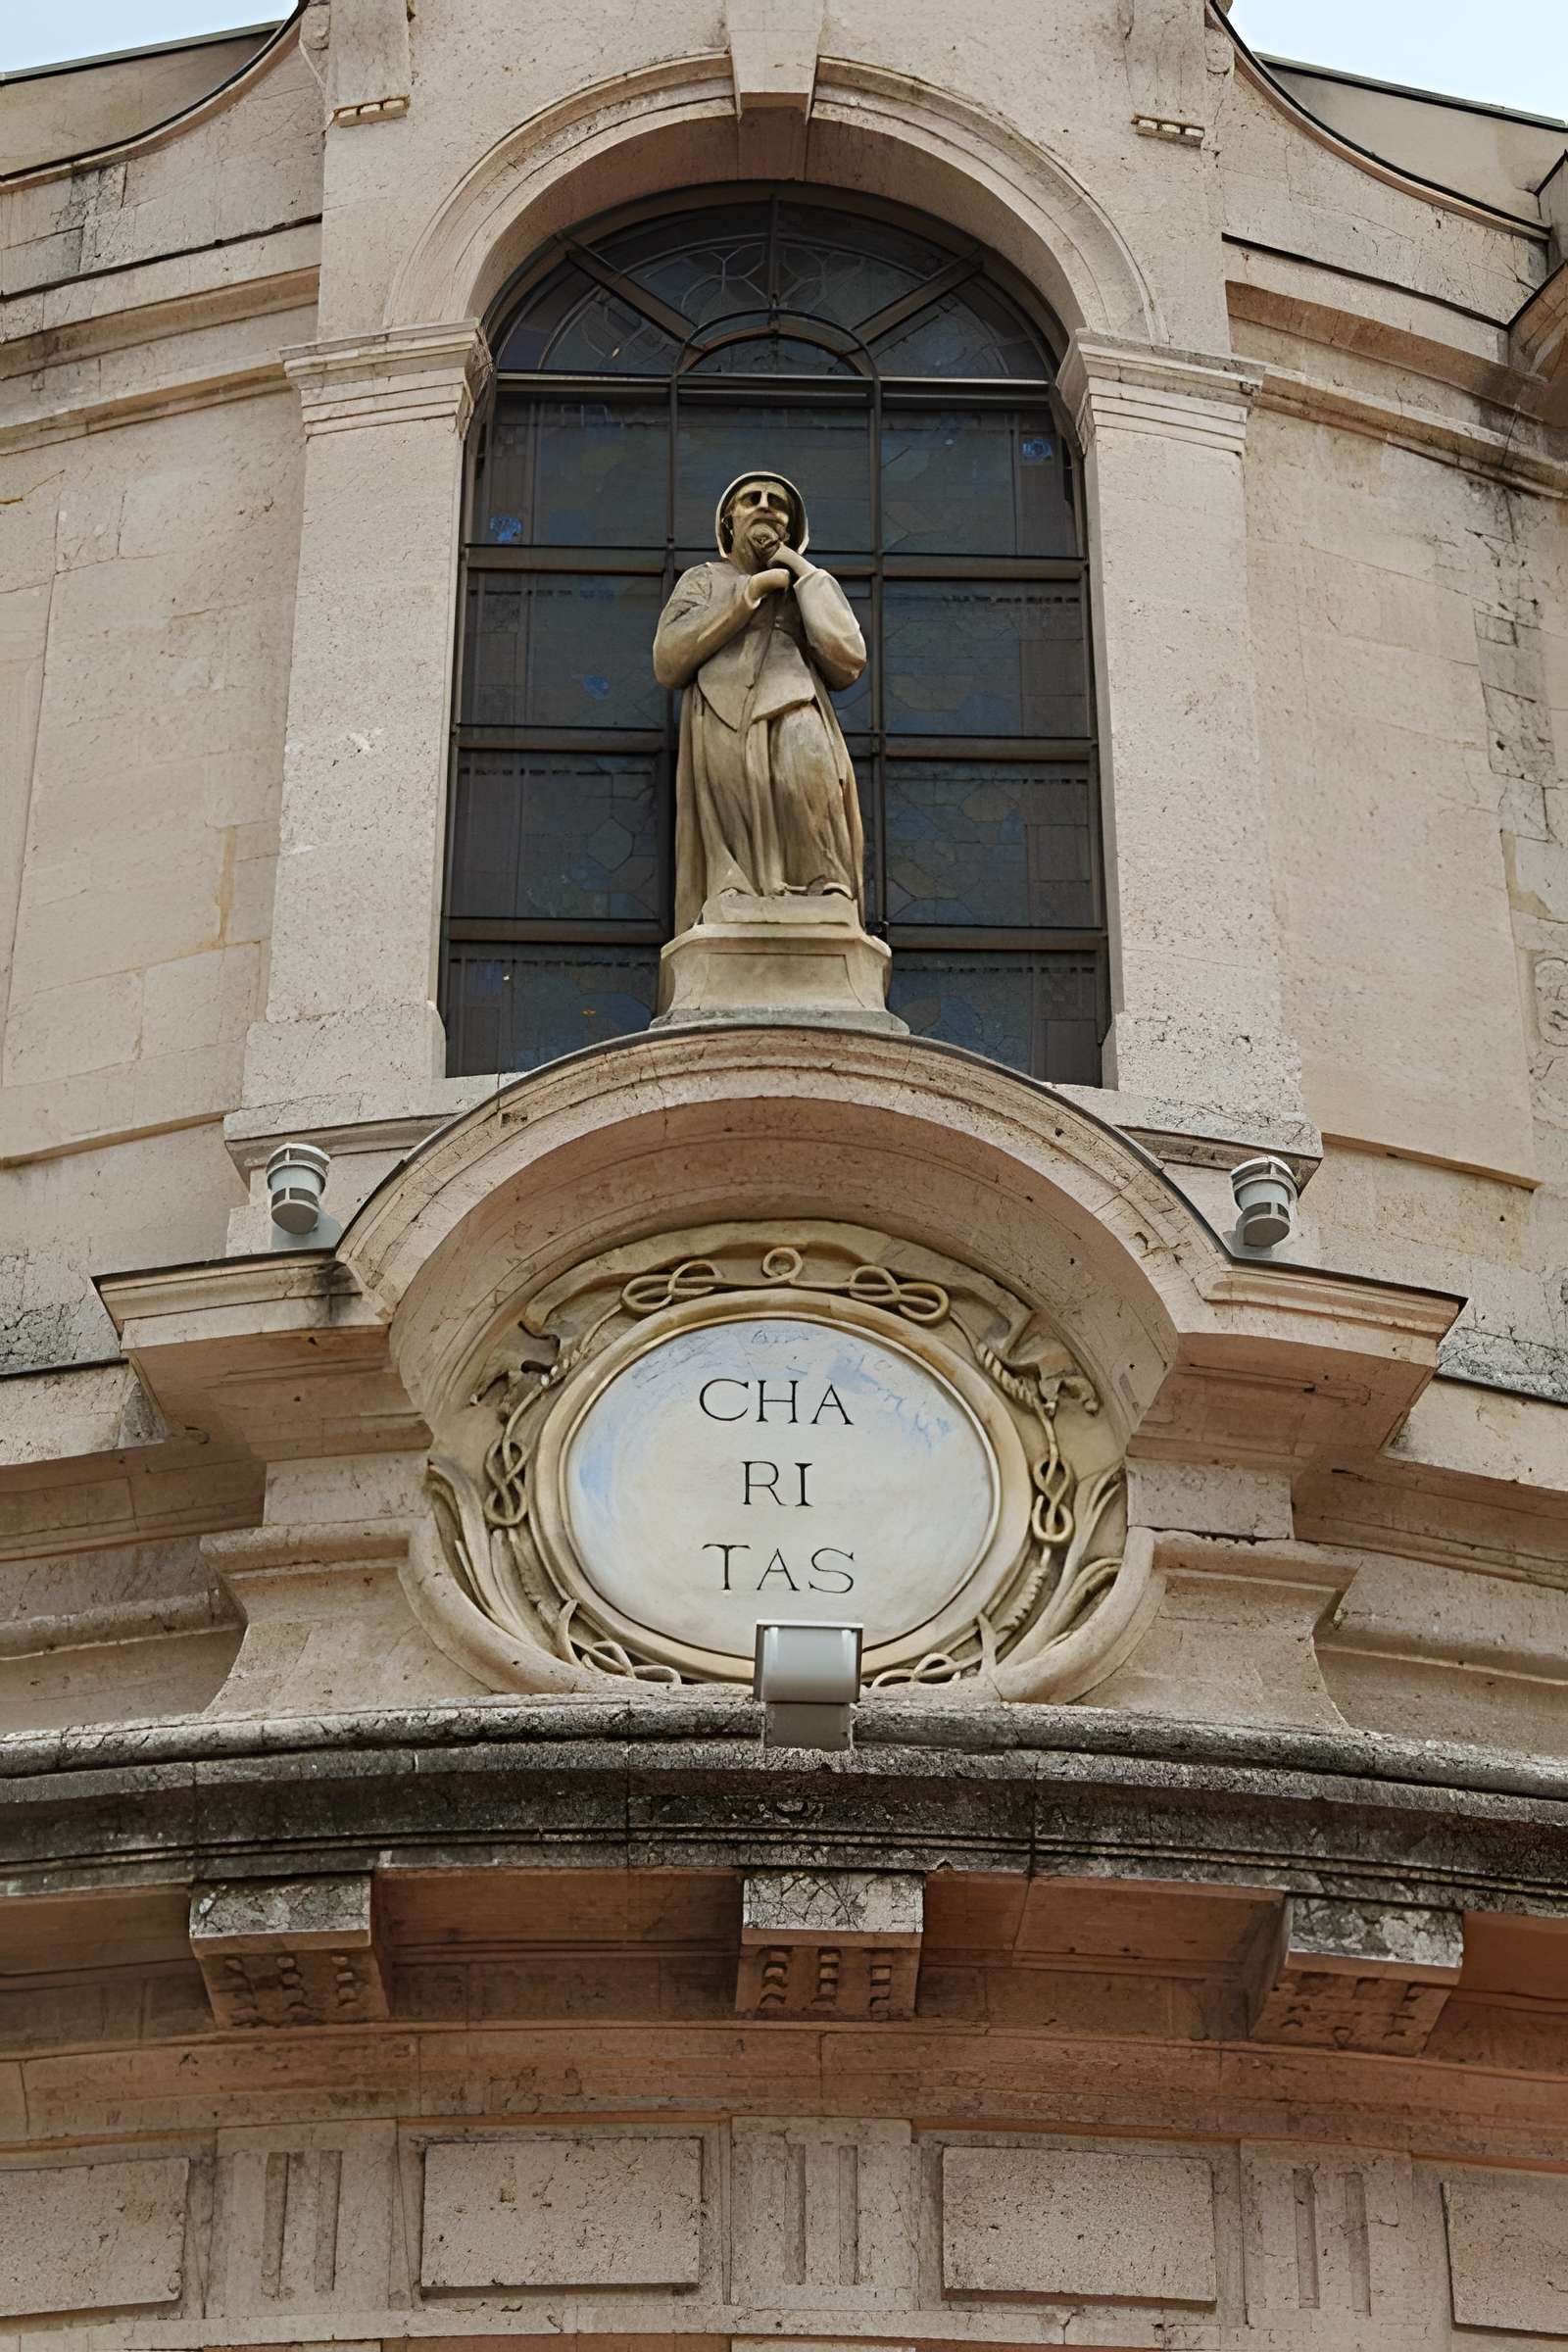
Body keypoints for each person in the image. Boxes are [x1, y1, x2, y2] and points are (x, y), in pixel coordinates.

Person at [653, 471, 867, 930]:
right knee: (732, 798)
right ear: (730, 520)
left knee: (809, 775)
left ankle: (823, 885)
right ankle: (734, 889)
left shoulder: (808, 582)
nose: (766, 506)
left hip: (795, 697)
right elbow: (668, 660)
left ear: (790, 527)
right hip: (723, 706)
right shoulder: (703, 580)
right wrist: (748, 593)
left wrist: (801, 574)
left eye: (778, 503)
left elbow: (848, 658)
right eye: (752, 499)